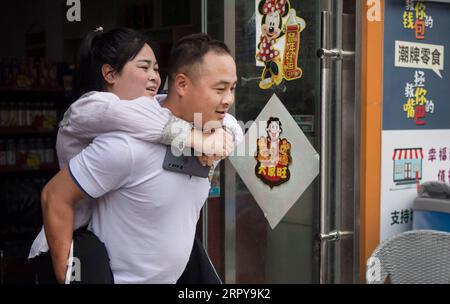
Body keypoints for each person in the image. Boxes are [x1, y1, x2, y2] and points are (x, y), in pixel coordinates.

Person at [28, 28, 241, 283]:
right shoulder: (120, 136)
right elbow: (54, 196)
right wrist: (69, 277)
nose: (228, 99)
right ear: (182, 83)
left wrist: (224, 135)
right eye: (220, 89)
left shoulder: (208, 127)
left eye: (233, 88)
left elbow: (230, 123)